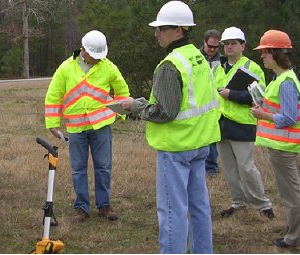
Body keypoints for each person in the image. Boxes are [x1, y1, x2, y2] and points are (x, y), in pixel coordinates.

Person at [119, 1, 219, 253]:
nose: (156, 33)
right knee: (199, 207)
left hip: (175, 148)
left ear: (178, 31)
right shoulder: (198, 57)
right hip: (200, 145)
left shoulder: (170, 65)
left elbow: (165, 111)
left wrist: (135, 106)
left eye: (161, 28)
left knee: (172, 211)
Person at [44, 30, 130, 223]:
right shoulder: (66, 68)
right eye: (94, 56)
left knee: (104, 167)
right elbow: (54, 95)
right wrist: (52, 123)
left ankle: (104, 205)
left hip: (101, 126)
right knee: (78, 168)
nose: (98, 59)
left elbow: (123, 90)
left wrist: (119, 113)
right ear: (83, 50)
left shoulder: (108, 67)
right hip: (76, 128)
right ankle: (81, 207)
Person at [214, 27, 274, 219]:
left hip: (242, 123)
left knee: (246, 167)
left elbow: (259, 97)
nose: (229, 47)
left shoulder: (252, 67)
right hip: (221, 123)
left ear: (243, 46)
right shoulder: (218, 67)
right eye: (226, 44)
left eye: (233, 43)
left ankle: (262, 205)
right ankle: (238, 203)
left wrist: (231, 94)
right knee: (229, 168)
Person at [251, 30, 300, 248]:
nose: (262, 56)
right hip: (279, 147)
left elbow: (289, 117)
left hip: (283, 148)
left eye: (265, 52)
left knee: (292, 196)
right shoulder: (279, 79)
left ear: (277, 52)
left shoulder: (286, 81)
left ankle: (294, 238)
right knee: (289, 194)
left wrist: (263, 115)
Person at [200, 29, 223, 175]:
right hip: (199, 104)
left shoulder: (223, 61)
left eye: (216, 47)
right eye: (210, 46)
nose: (212, 50)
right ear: (204, 43)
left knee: (213, 139)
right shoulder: (196, 58)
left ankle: (211, 169)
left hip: (216, 107)